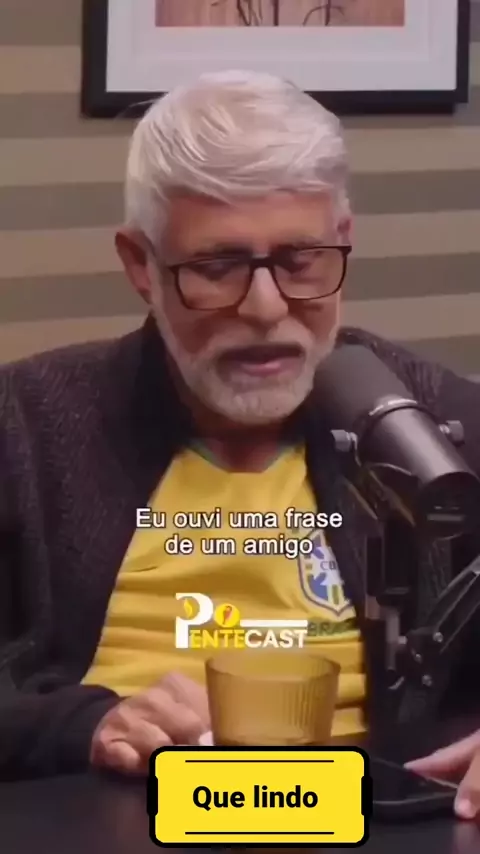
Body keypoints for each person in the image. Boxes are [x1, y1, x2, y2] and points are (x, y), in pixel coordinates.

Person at [1, 70, 480, 817]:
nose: (264, 308)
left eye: (300, 260)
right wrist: (80, 725)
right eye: (216, 267)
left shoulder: (439, 425)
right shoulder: (27, 428)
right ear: (140, 265)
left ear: (344, 242)